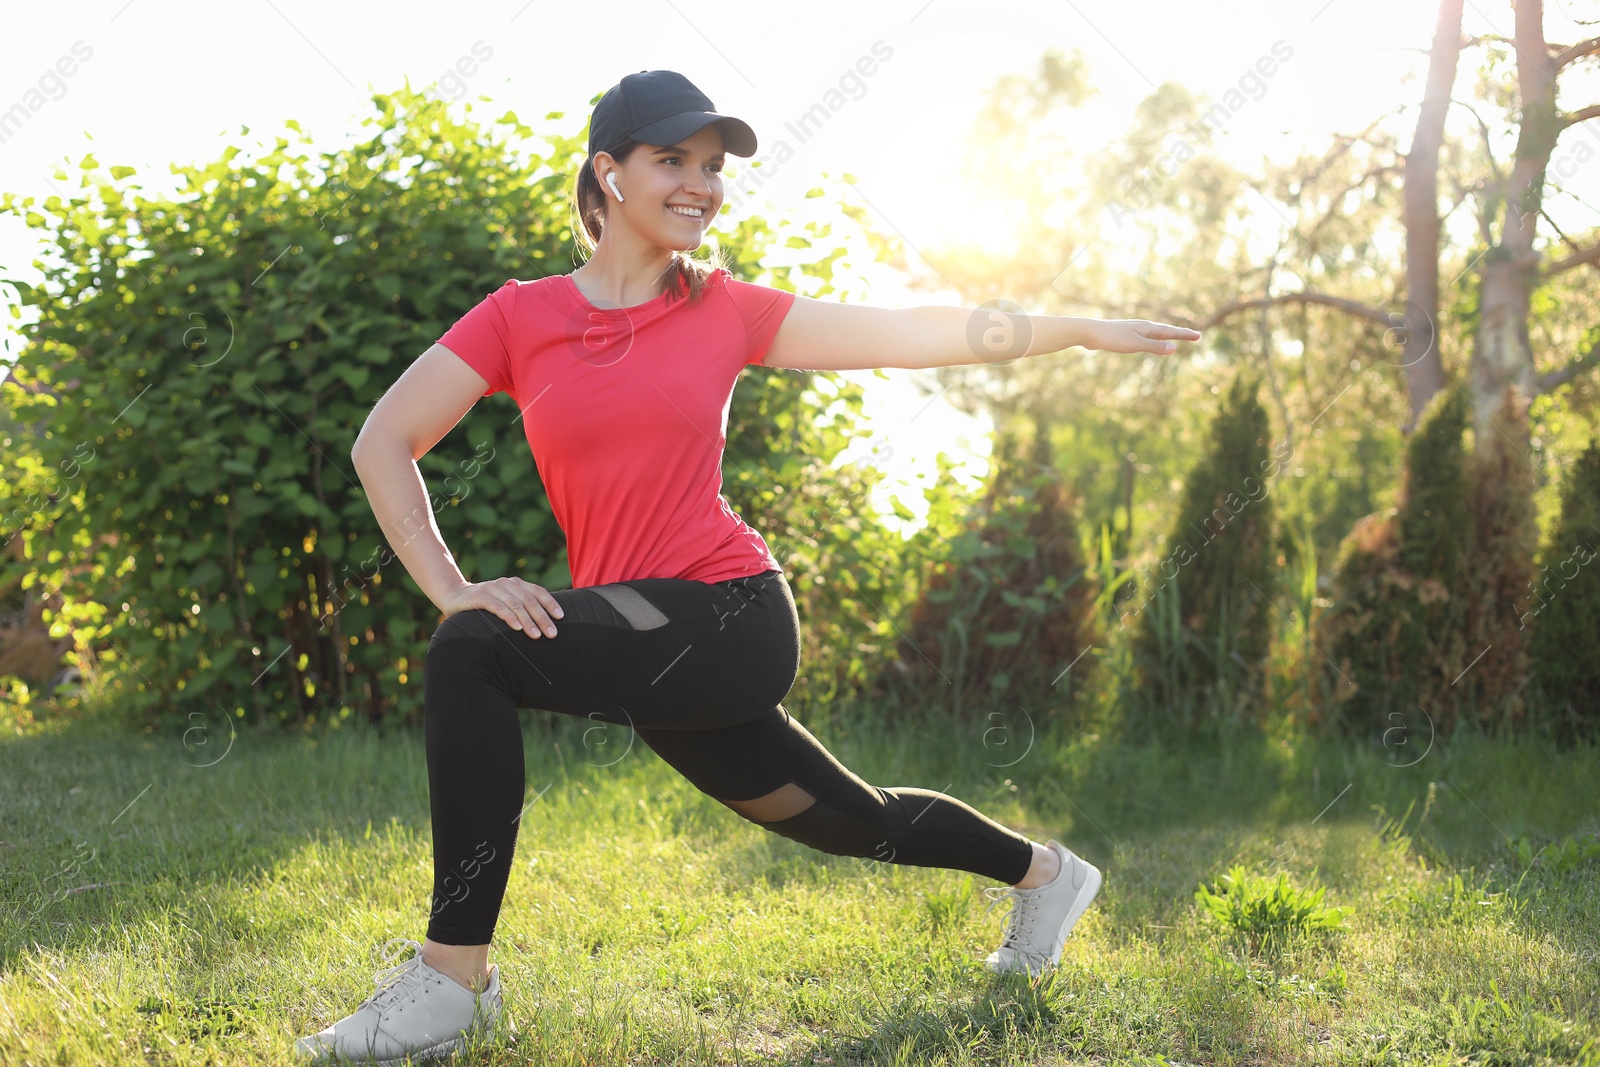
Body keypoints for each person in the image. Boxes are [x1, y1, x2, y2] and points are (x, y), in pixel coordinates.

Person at [295, 69, 1201, 1065]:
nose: (701, 183)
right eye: (671, 160)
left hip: (729, 613)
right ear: (609, 172)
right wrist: (452, 583)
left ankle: (450, 981)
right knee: (853, 820)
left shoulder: (721, 309)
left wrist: (1068, 325)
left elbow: (904, 337)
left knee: (475, 652)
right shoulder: (521, 317)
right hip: (646, 630)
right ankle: (1044, 874)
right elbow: (385, 439)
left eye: (713, 166)